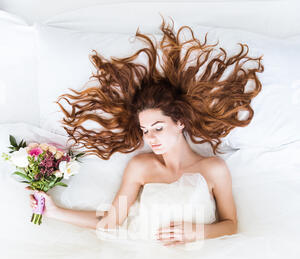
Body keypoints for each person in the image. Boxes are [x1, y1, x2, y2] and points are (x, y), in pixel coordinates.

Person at [28, 16, 264, 246]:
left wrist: (198, 232)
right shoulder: (141, 167)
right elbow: (111, 221)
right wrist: (54, 211)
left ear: (179, 122)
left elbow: (231, 224)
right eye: (145, 130)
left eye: (158, 128)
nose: (151, 138)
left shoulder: (213, 169)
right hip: (143, 253)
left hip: (198, 256)